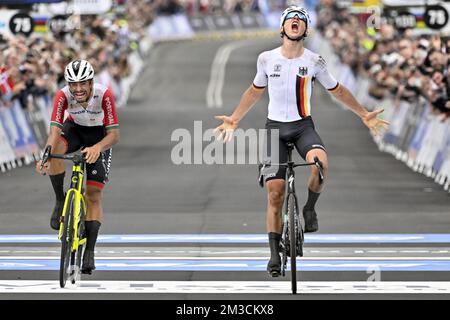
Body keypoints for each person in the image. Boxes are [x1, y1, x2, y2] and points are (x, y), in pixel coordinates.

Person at [214, 6, 389, 277]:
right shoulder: (266, 59)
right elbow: (253, 92)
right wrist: (234, 119)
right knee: (275, 193)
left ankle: (309, 209)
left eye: (300, 21)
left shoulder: (315, 61)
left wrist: (364, 114)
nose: (295, 22)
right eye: (290, 20)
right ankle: (274, 254)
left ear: (305, 30)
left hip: (302, 127)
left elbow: (338, 91)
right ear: (283, 28)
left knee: (321, 163)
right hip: (275, 129)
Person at [36, 59, 120, 274]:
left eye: (83, 83)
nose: (78, 89)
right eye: (73, 84)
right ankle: (60, 200)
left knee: (93, 194)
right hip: (74, 130)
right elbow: (54, 131)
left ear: (91, 82)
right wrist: (46, 154)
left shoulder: (105, 94)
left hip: (100, 136)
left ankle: (89, 251)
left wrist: (97, 148)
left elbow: (114, 135)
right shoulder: (63, 95)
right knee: (55, 152)